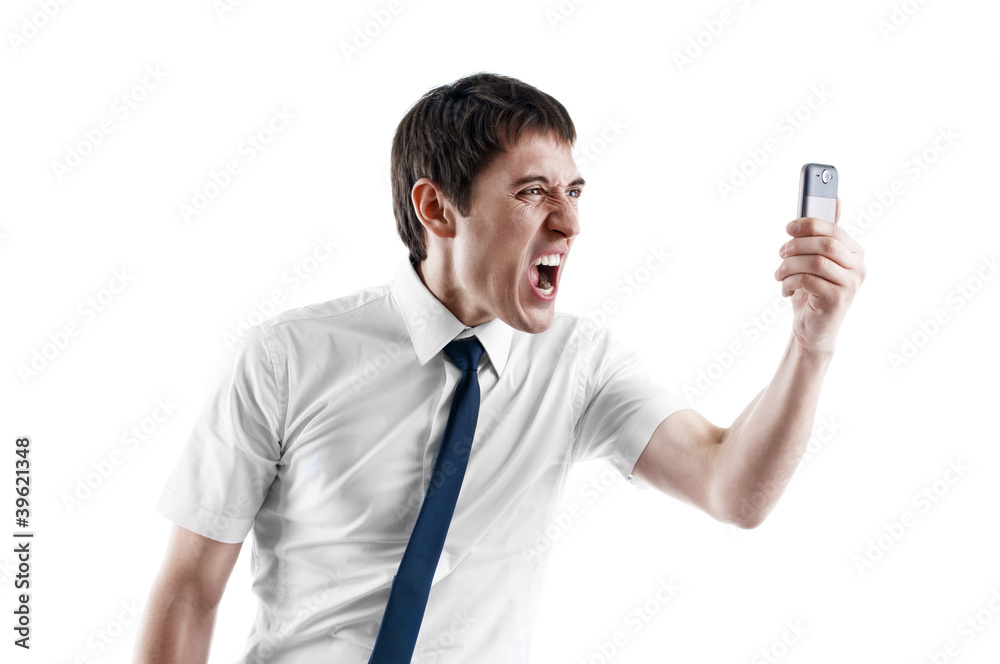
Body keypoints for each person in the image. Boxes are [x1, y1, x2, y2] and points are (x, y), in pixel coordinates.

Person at [132, 72, 866, 663]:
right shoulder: (284, 358)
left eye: (573, 191)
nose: (569, 223)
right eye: (533, 192)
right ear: (436, 208)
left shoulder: (579, 365)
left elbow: (731, 488)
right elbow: (190, 592)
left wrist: (812, 345)